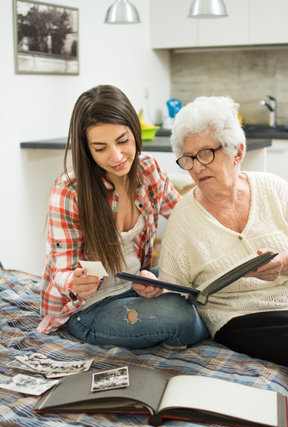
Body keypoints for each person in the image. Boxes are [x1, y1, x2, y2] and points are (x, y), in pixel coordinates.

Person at [38, 84, 209, 349]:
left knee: (201, 285)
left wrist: (151, 281)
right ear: (86, 149)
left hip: (135, 284)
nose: (116, 157)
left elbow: (186, 218)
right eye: (100, 148)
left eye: (122, 141)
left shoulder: (148, 169)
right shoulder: (69, 191)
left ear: (134, 132)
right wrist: (75, 281)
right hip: (88, 307)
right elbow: (60, 269)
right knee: (182, 317)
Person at [143, 95, 288, 371]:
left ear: (237, 152)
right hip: (246, 316)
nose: (197, 166)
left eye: (206, 153)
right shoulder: (184, 217)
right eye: (189, 159)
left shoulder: (273, 188)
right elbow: (173, 289)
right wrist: (155, 286)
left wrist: (284, 263)